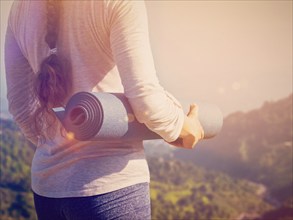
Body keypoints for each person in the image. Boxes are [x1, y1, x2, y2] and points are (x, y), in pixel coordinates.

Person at [5, 0, 204, 219]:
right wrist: (183, 127)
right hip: (111, 188)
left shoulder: (20, 7)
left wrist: (53, 144)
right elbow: (146, 99)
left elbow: (21, 107)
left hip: (48, 193)